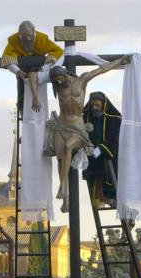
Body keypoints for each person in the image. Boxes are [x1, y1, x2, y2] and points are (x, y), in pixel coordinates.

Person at [42, 55, 130, 212]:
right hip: (61, 126)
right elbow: (35, 76)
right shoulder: (58, 84)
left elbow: (102, 69)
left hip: (77, 127)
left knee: (68, 147)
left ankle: (62, 187)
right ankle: (65, 200)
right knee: (60, 159)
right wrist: (47, 62)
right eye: (56, 82)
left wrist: (120, 61)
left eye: (61, 79)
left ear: (64, 72)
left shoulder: (81, 80)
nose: (60, 83)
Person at [1, 20, 64, 113]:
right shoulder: (13, 40)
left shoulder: (42, 38)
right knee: (22, 91)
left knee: (41, 94)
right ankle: (22, 109)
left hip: (40, 71)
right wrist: (17, 71)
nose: (28, 39)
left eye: (30, 36)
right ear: (19, 35)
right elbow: (6, 58)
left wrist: (44, 69)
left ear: (34, 32)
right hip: (23, 71)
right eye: (24, 37)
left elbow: (58, 52)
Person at [82, 92, 121, 208]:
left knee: (108, 185)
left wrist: (97, 152)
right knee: (93, 181)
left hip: (106, 156)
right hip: (89, 156)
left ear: (103, 105)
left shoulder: (114, 118)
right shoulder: (85, 116)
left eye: (97, 105)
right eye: (92, 105)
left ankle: (112, 200)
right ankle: (102, 200)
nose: (94, 108)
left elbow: (112, 140)